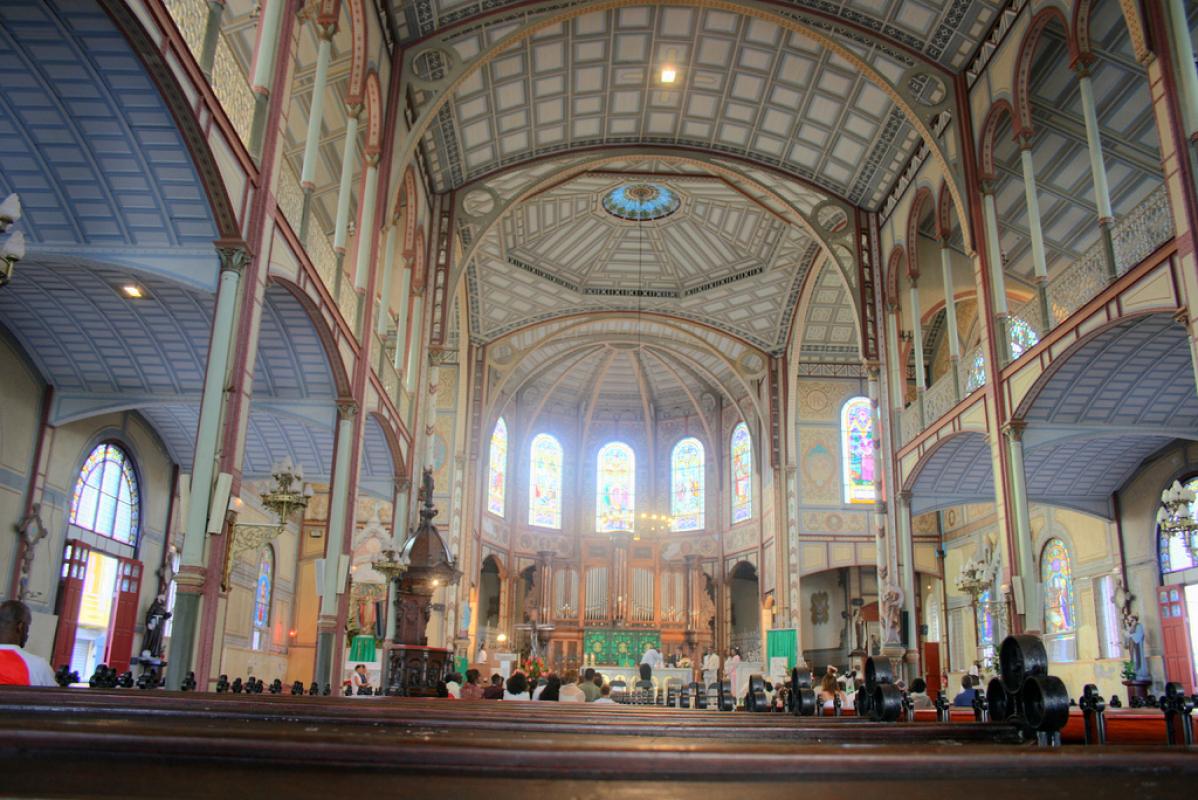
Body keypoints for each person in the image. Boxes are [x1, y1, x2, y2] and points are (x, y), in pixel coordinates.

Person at [0, 601, 55, 687]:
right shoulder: (39, 666)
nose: (27, 634)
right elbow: (56, 698)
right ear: (20, 626)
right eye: (27, 627)